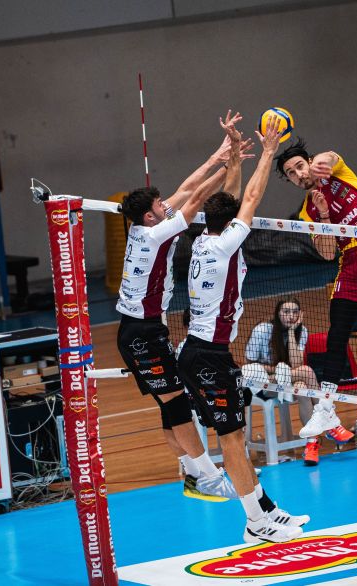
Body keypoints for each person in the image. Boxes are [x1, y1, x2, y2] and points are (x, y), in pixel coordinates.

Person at [180, 121, 308, 543]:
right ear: (231, 222)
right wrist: (268, 151)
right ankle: (255, 523)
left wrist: (235, 155)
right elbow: (249, 197)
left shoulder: (203, 238)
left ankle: (266, 509)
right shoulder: (223, 243)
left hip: (207, 352)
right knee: (232, 439)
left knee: (234, 436)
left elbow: (234, 196)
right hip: (207, 354)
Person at [116, 111, 250, 502]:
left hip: (140, 329)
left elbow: (186, 189)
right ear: (150, 215)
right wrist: (228, 166)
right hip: (142, 333)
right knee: (176, 404)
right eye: (160, 204)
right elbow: (194, 200)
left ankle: (193, 475)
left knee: (169, 404)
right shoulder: (154, 235)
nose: (166, 205)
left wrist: (218, 156)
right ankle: (206, 475)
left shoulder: (143, 227)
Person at [276, 138, 357, 442]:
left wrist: (323, 162)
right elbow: (326, 253)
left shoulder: (336, 172)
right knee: (337, 332)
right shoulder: (308, 211)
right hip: (351, 260)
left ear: (309, 161)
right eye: (291, 173)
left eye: (300, 166)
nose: (299, 174)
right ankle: (326, 406)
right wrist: (324, 216)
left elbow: (331, 156)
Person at [242, 297, 324, 464]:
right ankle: (327, 415)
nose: (291, 316)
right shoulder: (262, 330)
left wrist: (292, 332)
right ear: (277, 314)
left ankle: (311, 444)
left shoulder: (302, 331)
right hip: (262, 383)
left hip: (289, 380)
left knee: (302, 387)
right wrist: (279, 370)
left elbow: (296, 364)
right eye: (286, 312)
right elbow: (249, 363)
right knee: (307, 372)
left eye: (295, 312)